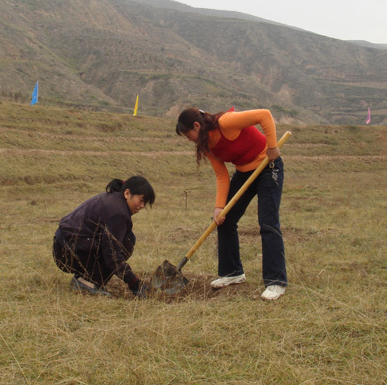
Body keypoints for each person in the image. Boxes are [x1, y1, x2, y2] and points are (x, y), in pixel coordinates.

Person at [176, 108, 287, 301]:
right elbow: (221, 175)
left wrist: (272, 147)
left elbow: (265, 115)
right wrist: (220, 207)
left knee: (268, 223)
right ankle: (232, 272)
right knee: (224, 220)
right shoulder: (206, 145)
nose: (189, 139)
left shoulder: (226, 122)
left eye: (188, 135)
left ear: (196, 125)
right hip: (244, 174)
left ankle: (276, 282)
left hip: (268, 167)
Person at [52, 176, 155, 298]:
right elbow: (112, 254)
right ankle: (88, 283)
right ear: (127, 193)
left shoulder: (114, 200)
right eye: (141, 200)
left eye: (145, 203)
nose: (142, 206)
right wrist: (133, 282)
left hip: (64, 246)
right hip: (67, 253)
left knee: (128, 239)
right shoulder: (118, 212)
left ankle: (85, 279)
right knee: (124, 246)